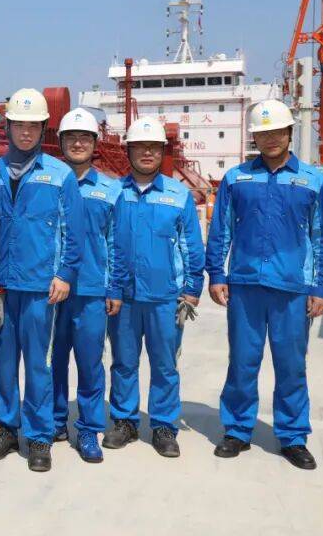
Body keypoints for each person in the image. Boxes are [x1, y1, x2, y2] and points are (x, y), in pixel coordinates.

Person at [206, 99, 323, 469]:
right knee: (242, 362)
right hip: (245, 286)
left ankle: (293, 437)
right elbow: (221, 230)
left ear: (290, 133)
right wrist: (216, 274)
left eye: (277, 131)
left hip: (292, 289)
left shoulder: (313, 180)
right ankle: (237, 430)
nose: (270, 139)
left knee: (291, 366)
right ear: (255, 137)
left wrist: (322, 286)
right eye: (263, 133)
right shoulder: (236, 178)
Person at [0, 89, 83, 472]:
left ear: (43, 129)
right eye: (19, 125)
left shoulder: (59, 175)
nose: (26, 132)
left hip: (41, 287)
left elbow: (73, 232)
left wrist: (65, 273)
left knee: (38, 363)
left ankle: (40, 436)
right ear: (8, 127)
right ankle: (5, 428)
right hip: (2, 287)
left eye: (33, 126)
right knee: (4, 362)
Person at [105, 116, 204, 458]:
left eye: (154, 147)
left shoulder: (178, 194)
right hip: (124, 297)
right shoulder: (113, 193)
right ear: (128, 151)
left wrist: (192, 288)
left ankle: (163, 425)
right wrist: (110, 288)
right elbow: (105, 243)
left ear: (162, 152)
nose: (147, 153)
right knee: (123, 362)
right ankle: (125, 421)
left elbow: (192, 245)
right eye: (140, 147)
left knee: (165, 364)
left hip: (166, 297)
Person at [51, 108, 122, 463]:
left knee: (91, 362)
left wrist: (114, 287)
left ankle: (90, 428)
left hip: (92, 290)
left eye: (84, 138)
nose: (77, 144)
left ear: (94, 144)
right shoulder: (48, 183)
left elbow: (116, 243)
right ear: (61, 143)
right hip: (51, 289)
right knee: (52, 361)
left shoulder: (110, 189)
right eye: (71, 138)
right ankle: (54, 421)